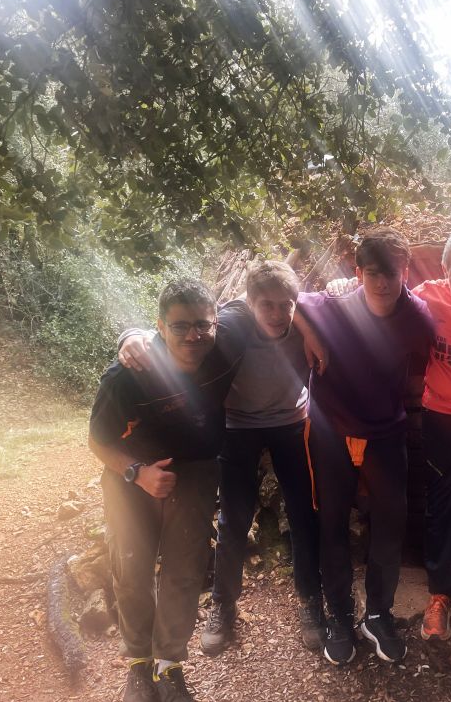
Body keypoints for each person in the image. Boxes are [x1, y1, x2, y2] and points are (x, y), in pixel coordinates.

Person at [326, 229, 451, 641]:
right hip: (444, 411)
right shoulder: (426, 296)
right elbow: (380, 297)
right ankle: (440, 595)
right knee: (441, 502)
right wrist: (346, 285)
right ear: (444, 269)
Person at [117, 262, 327, 655]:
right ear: (249, 303)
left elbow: (330, 302)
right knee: (234, 519)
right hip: (237, 427)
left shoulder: (298, 318)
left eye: (287, 306)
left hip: (290, 422)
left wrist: (307, 326)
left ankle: (311, 600)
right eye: (268, 306)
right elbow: (185, 332)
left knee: (303, 513)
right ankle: (223, 605)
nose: (279, 315)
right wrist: (133, 335)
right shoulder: (232, 324)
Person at [90, 277, 241, 702]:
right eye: (179, 326)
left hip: (195, 472)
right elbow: (97, 441)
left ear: (215, 322)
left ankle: (169, 664)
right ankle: (138, 665)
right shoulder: (127, 375)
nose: (194, 335)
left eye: (202, 325)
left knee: (185, 571)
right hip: (131, 480)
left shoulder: (224, 348)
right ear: (159, 326)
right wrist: (137, 472)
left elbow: (267, 295)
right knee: (132, 568)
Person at [295, 228, 435, 665]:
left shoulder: (417, 318)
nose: (383, 282)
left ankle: (378, 612)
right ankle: (339, 615)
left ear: (405, 271)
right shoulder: (330, 306)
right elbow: (286, 297)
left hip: (385, 432)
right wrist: (307, 331)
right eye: (372, 273)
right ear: (357, 272)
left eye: (392, 272)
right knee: (331, 524)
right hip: (331, 429)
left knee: (391, 524)